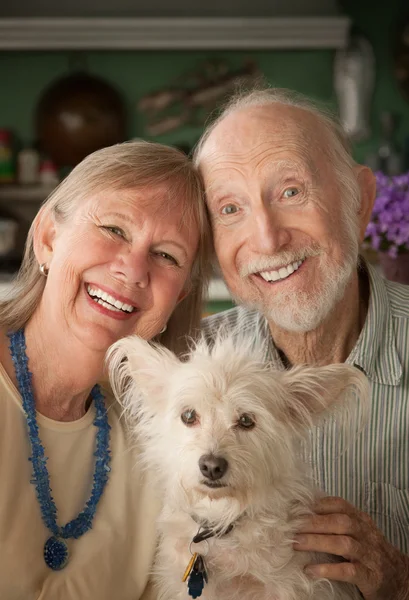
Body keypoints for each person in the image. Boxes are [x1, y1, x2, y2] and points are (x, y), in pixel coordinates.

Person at [194, 88, 409, 600]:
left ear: (358, 201)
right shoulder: (192, 368)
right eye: (230, 208)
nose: (267, 239)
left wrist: (402, 578)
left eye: (291, 191)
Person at [0, 140, 212, 600]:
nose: (134, 270)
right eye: (114, 229)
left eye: (167, 256)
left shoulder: (167, 443)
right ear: (49, 238)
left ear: (176, 299)